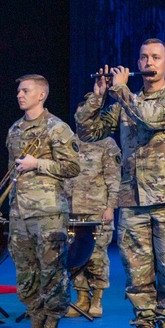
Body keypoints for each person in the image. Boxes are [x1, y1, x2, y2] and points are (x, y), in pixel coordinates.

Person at [76, 39, 165, 328]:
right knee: (138, 279)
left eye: (156, 57)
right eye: (144, 57)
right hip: (133, 200)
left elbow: (150, 119)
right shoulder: (124, 100)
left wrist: (122, 91)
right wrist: (99, 93)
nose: (149, 62)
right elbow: (87, 132)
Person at [5, 74, 81, 328]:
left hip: (48, 212)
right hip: (20, 213)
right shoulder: (14, 129)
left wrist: (39, 163)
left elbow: (73, 167)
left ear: (41, 95)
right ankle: (35, 327)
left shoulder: (57, 128)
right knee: (26, 274)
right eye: (19, 90)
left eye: (25, 91)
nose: (20, 95)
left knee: (51, 272)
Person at [64, 135, 121, 318]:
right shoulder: (69, 140)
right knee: (75, 254)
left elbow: (114, 177)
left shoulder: (106, 143)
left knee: (97, 256)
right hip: (72, 208)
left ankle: (97, 298)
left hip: (97, 209)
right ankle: (82, 298)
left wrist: (111, 207)